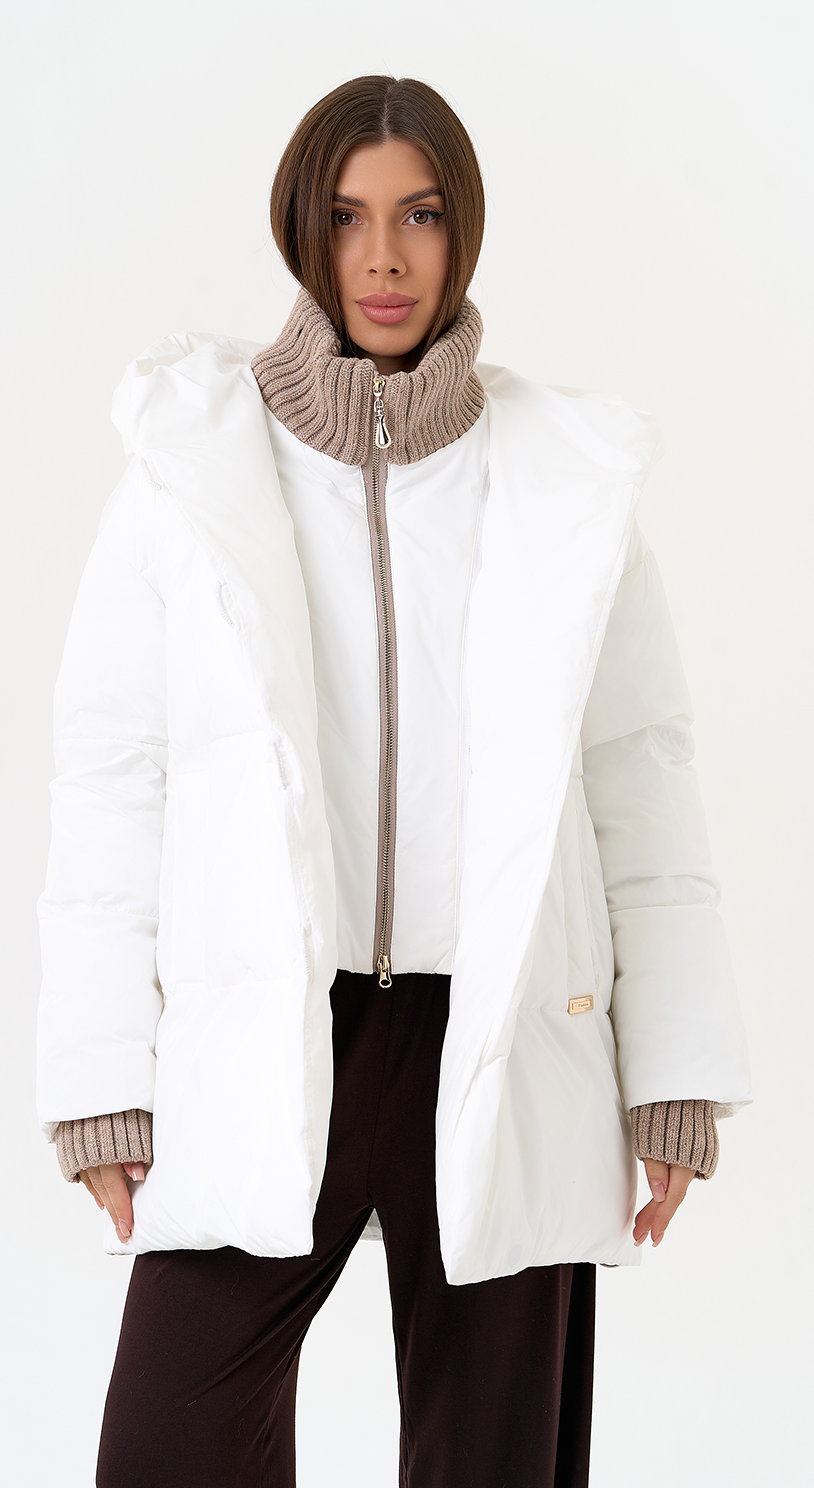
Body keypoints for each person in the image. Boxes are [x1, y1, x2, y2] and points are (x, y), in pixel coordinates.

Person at [36, 75, 751, 1488]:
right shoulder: (192, 469)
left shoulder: (561, 479)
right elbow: (113, 781)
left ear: (461, 231)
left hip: (497, 1038)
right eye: (350, 217)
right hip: (270, 1034)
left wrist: (672, 1077)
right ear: (302, 230)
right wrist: (101, 1079)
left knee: (497, 1462)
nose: (383, 258)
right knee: (170, 1446)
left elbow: (642, 782)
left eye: (419, 216)